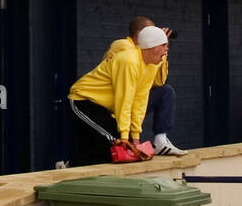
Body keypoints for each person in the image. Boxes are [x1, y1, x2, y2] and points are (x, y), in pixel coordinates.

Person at [68, 26, 169, 164]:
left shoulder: (152, 65)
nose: (166, 50)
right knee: (117, 144)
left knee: (108, 147)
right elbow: (124, 99)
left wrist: (135, 136)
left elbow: (140, 100)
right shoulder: (128, 61)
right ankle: (72, 166)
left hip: (103, 107)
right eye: (164, 45)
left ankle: (71, 165)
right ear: (151, 46)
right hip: (83, 100)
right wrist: (125, 136)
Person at [106, 16, 186, 155]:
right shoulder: (121, 46)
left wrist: (161, 50)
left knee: (166, 91)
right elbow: (125, 91)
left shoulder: (148, 54)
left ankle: (160, 140)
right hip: (114, 101)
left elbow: (159, 82)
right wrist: (156, 45)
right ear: (140, 34)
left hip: (133, 99)